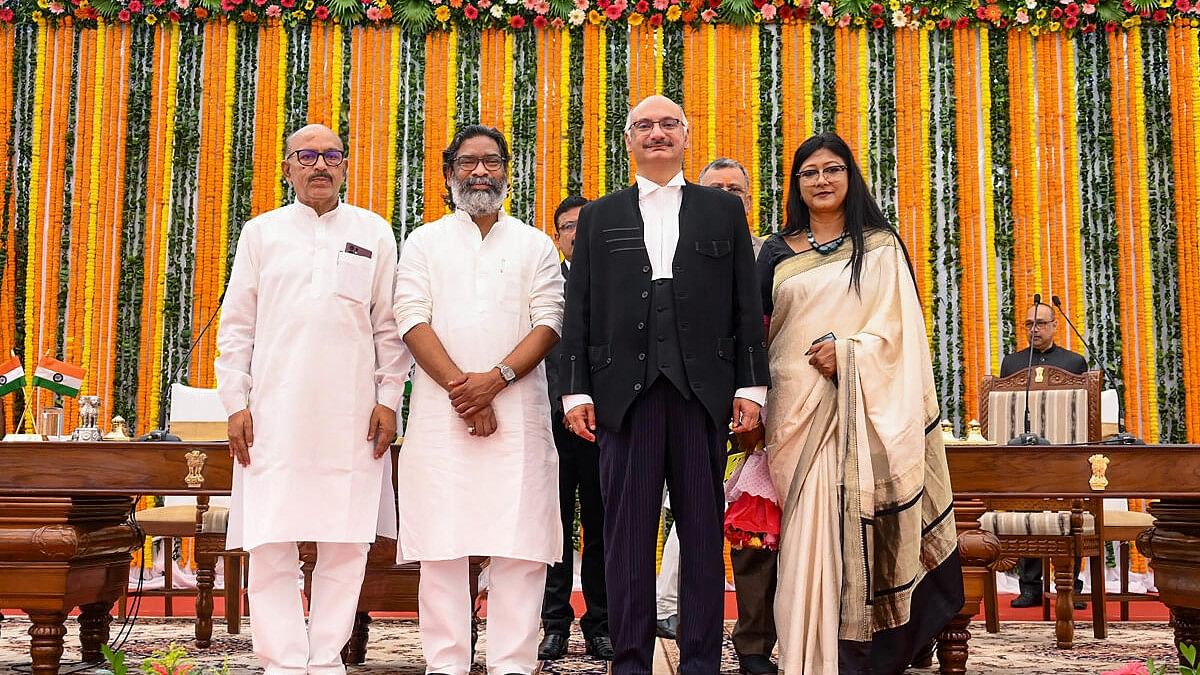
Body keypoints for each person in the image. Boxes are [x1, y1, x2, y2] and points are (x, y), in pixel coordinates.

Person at [559, 95, 769, 675]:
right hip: (621, 399)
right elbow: (579, 308)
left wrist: (752, 389)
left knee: (702, 535)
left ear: (685, 136)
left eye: (668, 124)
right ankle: (630, 662)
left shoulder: (720, 212)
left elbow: (745, 308)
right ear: (628, 140)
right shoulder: (600, 214)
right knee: (626, 538)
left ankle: (701, 661)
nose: (657, 133)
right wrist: (576, 390)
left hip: (702, 396)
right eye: (644, 125)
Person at [754, 132, 962, 674]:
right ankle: (805, 656)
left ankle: (861, 658)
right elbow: (757, 332)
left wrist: (848, 354)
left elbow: (901, 336)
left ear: (850, 177)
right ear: (796, 184)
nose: (821, 180)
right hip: (794, 417)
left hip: (867, 417)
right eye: (809, 172)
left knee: (861, 533)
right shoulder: (776, 251)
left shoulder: (882, 247)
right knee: (805, 541)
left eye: (832, 169)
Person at [215, 123, 411, 675]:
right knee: (271, 541)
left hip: (352, 415)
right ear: (287, 167)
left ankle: (325, 660)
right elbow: (238, 327)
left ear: (346, 165)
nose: (320, 165)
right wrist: (235, 402)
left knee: (346, 543)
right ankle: (282, 662)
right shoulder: (261, 233)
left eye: (331, 155)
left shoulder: (373, 232)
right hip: (273, 414)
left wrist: (388, 398)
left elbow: (389, 328)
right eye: (307, 155)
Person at [393, 124, 565, 675]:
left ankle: (514, 665)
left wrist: (495, 380)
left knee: (520, 547)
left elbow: (550, 322)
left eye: (491, 161)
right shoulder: (423, 242)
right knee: (442, 549)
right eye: (468, 162)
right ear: (449, 176)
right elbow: (410, 318)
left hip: (519, 413)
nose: (480, 171)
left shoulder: (535, 243)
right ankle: (445, 665)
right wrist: (465, 393)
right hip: (443, 419)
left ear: (508, 173)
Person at [653, 157, 778, 675]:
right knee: (694, 518)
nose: (727, 197)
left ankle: (759, 642)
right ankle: (676, 615)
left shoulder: (775, 254)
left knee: (763, 529)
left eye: (737, 190)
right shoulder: (672, 250)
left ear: (750, 200)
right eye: (717, 189)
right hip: (695, 409)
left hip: (773, 409)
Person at [538, 195, 613, 663]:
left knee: (604, 527)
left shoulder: (622, 284)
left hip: (605, 426)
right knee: (553, 527)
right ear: (557, 236)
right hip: (548, 424)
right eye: (568, 227)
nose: (577, 234)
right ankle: (554, 624)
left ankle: (602, 624)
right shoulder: (544, 283)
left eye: (586, 226)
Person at [1000, 302, 1088, 609]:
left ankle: (1071, 587)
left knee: (1069, 518)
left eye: (1039, 323)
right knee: (1030, 516)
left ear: (1054, 326)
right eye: (1028, 324)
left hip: (1064, 456)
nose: (1033, 329)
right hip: (1027, 457)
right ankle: (1030, 587)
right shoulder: (1012, 364)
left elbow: (1082, 412)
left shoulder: (1073, 362)